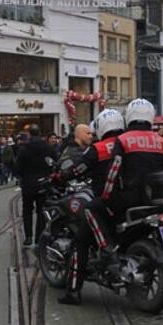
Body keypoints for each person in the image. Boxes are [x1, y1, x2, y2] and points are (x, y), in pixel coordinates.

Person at [56, 119, 117, 306]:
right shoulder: (126, 142)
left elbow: (75, 170)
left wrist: (62, 177)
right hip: (134, 199)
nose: (91, 135)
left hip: (107, 200)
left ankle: (74, 291)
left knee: (80, 240)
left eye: (92, 132)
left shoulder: (98, 149)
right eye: (87, 133)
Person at [14, 125, 55, 247]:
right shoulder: (47, 147)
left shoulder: (24, 148)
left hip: (28, 184)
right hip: (43, 183)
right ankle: (39, 237)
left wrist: (22, 177)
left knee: (27, 210)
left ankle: (28, 237)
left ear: (30, 134)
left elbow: (18, 168)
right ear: (40, 133)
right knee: (41, 210)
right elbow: (53, 163)